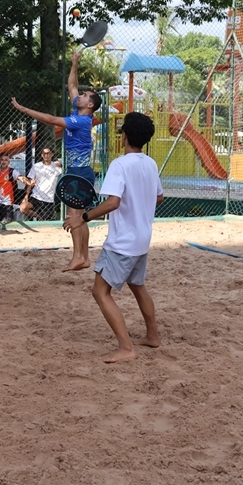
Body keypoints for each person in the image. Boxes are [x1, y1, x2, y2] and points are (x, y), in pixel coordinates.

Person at [63, 112, 164, 364]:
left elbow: (113, 202)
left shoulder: (120, 165)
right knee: (138, 287)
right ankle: (153, 336)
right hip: (142, 240)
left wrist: (82, 218)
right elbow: (159, 197)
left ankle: (126, 347)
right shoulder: (149, 163)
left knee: (100, 292)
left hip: (122, 242)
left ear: (124, 137)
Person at [11, 49, 101, 271]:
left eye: (85, 96)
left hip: (78, 172)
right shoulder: (78, 113)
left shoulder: (79, 121)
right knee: (78, 216)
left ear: (89, 105)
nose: (79, 95)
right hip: (80, 171)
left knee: (73, 216)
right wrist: (74, 62)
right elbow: (72, 86)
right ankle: (84, 256)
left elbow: (50, 119)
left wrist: (23, 109)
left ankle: (78, 256)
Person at [21, 147, 62, 220]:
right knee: (23, 208)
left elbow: (66, 167)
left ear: (52, 154)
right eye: (44, 153)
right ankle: (40, 218)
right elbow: (30, 181)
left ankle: (44, 220)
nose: (46, 155)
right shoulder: (36, 166)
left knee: (48, 221)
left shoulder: (56, 167)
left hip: (49, 198)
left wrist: (60, 164)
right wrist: (26, 196)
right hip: (36, 196)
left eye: (48, 153)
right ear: (41, 155)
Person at [0, 153, 21, 224]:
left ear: (9, 162)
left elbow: (20, 177)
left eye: (6, 160)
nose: (4, 161)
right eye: (2, 160)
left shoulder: (12, 172)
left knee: (6, 221)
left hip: (8, 203)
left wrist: (27, 181)